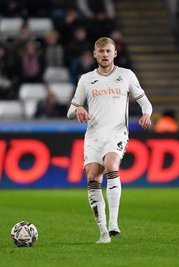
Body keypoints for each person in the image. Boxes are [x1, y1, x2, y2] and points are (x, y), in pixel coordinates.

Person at [66, 37, 152, 243]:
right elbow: (70, 111)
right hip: (94, 136)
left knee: (112, 165)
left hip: (116, 132)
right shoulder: (86, 79)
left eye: (108, 51)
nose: (104, 55)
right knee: (93, 178)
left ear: (115, 53)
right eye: (101, 51)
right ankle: (103, 231)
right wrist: (78, 108)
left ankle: (114, 222)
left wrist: (146, 114)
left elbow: (146, 103)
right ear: (94, 54)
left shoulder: (126, 75)